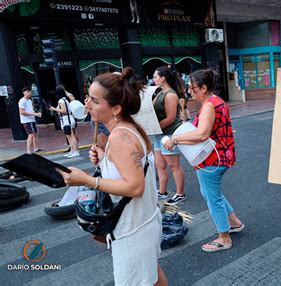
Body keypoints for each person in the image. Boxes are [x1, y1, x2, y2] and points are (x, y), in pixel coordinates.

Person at [57, 67, 168, 286]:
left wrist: (87, 180)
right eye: (88, 97)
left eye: (95, 101)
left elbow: (136, 187)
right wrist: (104, 161)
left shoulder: (119, 137)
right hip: (145, 221)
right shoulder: (131, 127)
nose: (87, 104)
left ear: (116, 108)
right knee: (152, 275)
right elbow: (131, 169)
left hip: (132, 230)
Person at [163, 69, 244, 253]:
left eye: (193, 88)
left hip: (212, 159)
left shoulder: (209, 105)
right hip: (220, 156)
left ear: (204, 87)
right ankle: (234, 223)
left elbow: (202, 134)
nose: (190, 91)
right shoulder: (216, 102)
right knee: (210, 193)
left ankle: (224, 238)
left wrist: (175, 140)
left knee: (212, 197)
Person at [152, 66, 187, 204]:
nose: (153, 79)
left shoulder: (171, 95)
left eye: (155, 77)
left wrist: (155, 128)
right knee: (159, 164)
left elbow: (171, 118)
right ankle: (162, 191)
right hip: (159, 134)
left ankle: (180, 193)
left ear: (163, 78)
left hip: (170, 134)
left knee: (174, 165)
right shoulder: (159, 93)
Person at [49, 86, 80, 158]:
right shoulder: (66, 99)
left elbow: (63, 111)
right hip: (69, 118)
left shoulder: (61, 101)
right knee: (69, 136)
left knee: (70, 136)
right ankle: (73, 150)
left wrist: (54, 109)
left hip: (66, 119)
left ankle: (75, 151)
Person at [18, 86, 42, 154]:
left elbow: (31, 110)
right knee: (31, 134)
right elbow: (22, 112)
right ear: (24, 93)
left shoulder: (29, 100)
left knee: (36, 134)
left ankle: (36, 148)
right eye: (28, 92)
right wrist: (34, 114)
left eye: (30, 91)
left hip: (32, 119)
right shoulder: (22, 101)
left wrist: (36, 113)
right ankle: (28, 150)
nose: (30, 93)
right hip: (26, 120)